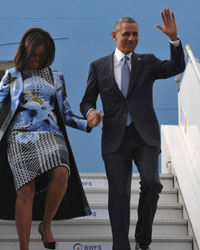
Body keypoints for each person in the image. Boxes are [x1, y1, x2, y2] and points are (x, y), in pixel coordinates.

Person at [80, 8, 185, 250]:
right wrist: (90, 113)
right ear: (114, 35)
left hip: (144, 137)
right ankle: (121, 246)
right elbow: (87, 100)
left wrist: (173, 39)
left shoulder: (146, 61)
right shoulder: (98, 66)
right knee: (119, 193)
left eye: (135, 34)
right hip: (114, 140)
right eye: (127, 34)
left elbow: (175, 67)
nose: (132, 39)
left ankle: (142, 241)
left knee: (151, 183)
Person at [0, 28, 92, 250]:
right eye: (34, 54)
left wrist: (87, 123)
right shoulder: (12, 76)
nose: (37, 59)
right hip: (19, 136)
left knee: (61, 172)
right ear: (25, 51)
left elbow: (66, 114)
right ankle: (25, 247)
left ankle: (46, 224)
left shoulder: (56, 77)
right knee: (25, 188)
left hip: (51, 134)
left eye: (42, 55)